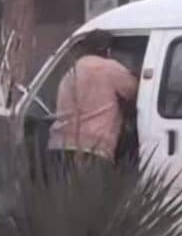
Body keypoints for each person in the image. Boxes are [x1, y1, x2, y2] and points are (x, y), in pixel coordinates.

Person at [47, 30, 138, 166]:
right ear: (108, 50)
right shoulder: (111, 68)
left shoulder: (72, 70)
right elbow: (136, 92)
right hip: (93, 148)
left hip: (60, 146)